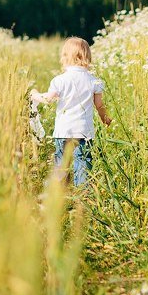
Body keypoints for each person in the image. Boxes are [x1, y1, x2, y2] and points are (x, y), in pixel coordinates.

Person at [31, 37, 112, 187]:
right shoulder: (94, 81)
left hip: (64, 130)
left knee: (61, 163)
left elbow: (49, 99)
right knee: (83, 162)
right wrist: (105, 118)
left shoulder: (60, 80)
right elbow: (99, 105)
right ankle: (83, 194)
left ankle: (58, 194)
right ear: (87, 56)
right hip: (84, 132)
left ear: (65, 57)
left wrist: (34, 94)